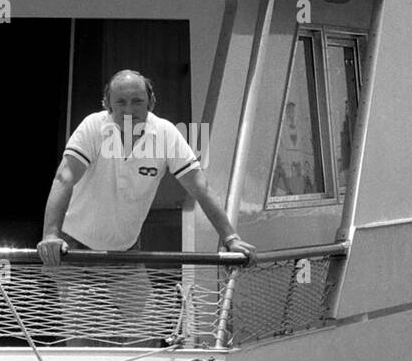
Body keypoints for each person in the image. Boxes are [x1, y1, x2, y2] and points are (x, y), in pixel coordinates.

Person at [37, 69, 255, 265]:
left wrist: (231, 238)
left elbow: (200, 188)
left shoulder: (166, 133)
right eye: (120, 102)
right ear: (107, 104)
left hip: (126, 250)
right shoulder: (92, 127)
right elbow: (64, 178)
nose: (129, 109)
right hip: (73, 248)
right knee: (88, 313)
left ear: (151, 103)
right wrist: (50, 237)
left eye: (137, 101)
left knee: (149, 313)